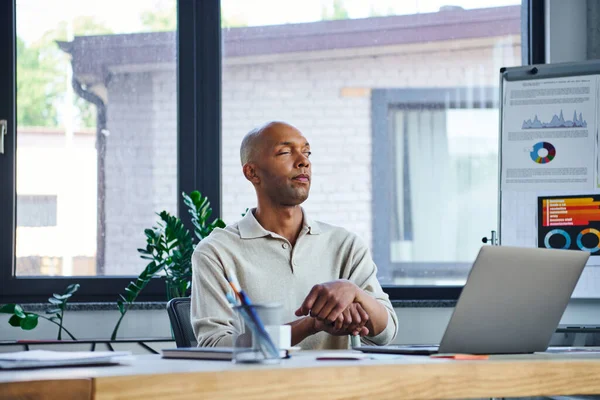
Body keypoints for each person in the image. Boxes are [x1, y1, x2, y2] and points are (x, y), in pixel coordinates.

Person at [191, 121, 398, 349]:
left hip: (335, 383)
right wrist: (310, 325)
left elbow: (385, 333)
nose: (304, 161)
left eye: (307, 152)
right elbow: (215, 345)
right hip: (259, 384)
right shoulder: (216, 251)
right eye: (285, 152)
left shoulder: (345, 244)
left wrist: (355, 293)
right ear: (252, 172)